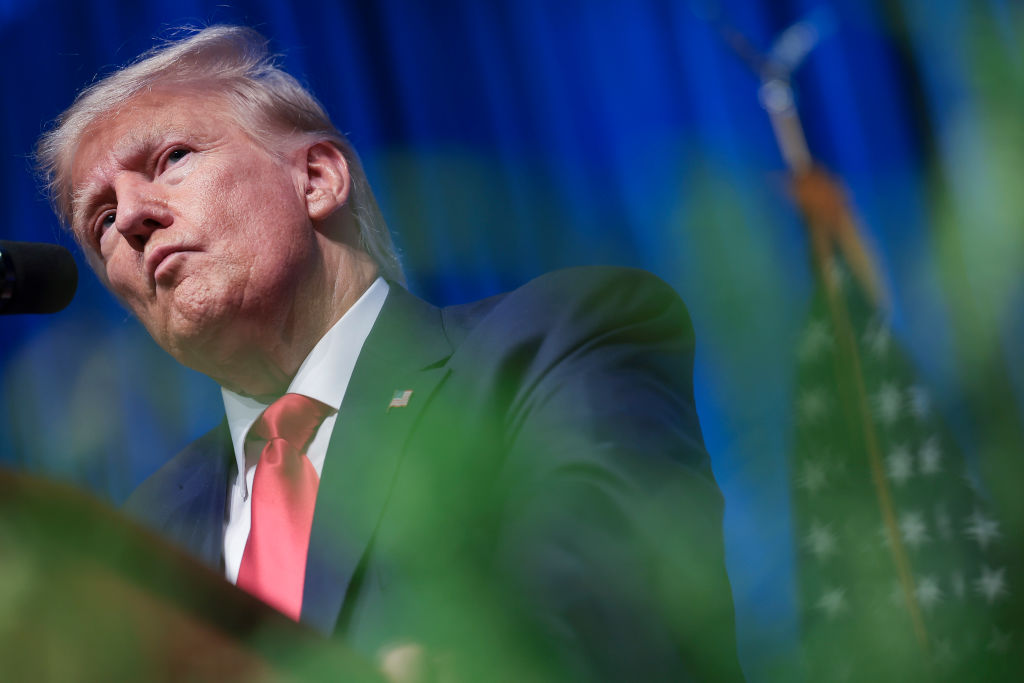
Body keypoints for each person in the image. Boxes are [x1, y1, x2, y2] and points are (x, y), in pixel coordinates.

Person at [37, 25, 743, 682]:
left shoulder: (556, 342)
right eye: (99, 220)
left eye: (171, 159)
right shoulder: (144, 534)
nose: (130, 217)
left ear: (316, 179)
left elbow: (614, 622)